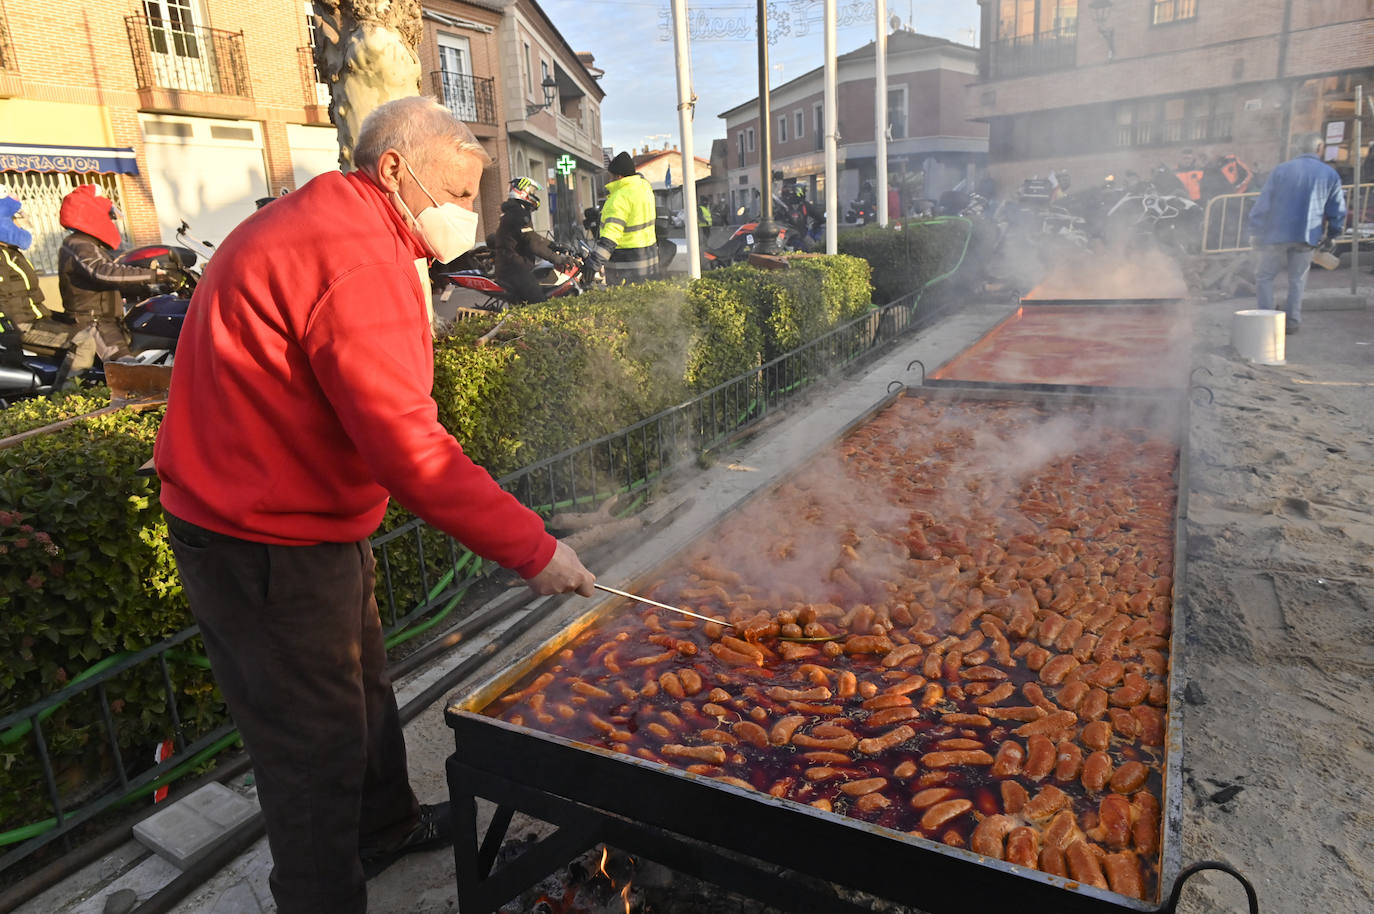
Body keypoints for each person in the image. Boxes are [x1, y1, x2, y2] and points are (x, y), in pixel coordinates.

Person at [153, 96, 596, 914]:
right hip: (260, 537)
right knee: (310, 742)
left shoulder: (341, 219)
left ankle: (385, 825)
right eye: (460, 193)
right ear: (395, 167)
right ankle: (323, 897)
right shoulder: (355, 254)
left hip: (301, 514)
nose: (469, 214)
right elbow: (409, 447)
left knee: (360, 687)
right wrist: (533, 550)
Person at [57, 184, 168, 369]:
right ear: (92, 216)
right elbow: (102, 272)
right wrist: (153, 276)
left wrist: (151, 288)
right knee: (129, 370)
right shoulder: (78, 244)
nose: (111, 222)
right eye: (108, 217)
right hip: (93, 322)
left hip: (108, 320)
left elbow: (115, 276)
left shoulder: (90, 244)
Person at [1247, 132, 1347, 334]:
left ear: (1298, 149)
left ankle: (1266, 320)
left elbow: (1263, 204)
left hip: (1275, 235)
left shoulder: (1281, 170)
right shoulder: (1329, 174)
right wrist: (1332, 236)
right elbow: (1337, 210)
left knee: (1265, 276)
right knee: (1297, 280)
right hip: (1306, 236)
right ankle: (1292, 322)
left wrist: (1256, 230)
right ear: (1319, 149)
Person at [489, 176, 577, 303]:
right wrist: (558, 258)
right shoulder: (518, 213)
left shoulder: (515, 211)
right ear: (523, 191)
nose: (534, 195)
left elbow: (531, 236)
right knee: (539, 302)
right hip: (515, 270)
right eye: (532, 192)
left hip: (510, 268)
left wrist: (555, 245)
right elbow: (533, 243)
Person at [582, 151, 657, 284]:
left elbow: (610, 237)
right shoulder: (645, 189)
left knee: (625, 303)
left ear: (619, 176)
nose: (609, 180)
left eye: (610, 176)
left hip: (626, 266)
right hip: (649, 260)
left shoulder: (619, 198)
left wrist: (593, 263)